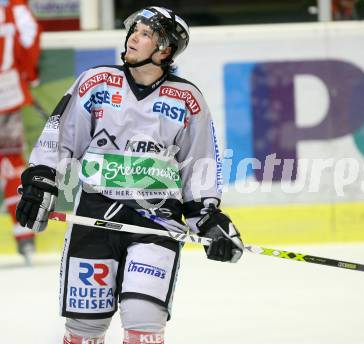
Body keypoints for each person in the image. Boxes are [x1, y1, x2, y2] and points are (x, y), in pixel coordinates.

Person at [15, 6, 244, 344]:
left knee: (144, 320)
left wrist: (209, 219)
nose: (134, 37)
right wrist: (40, 179)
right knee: (84, 328)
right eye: (134, 30)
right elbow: (59, 137)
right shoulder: (97, 82)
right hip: (93, 217)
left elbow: (199, 165)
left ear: (164, 50)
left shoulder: (187, 99)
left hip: (156, 222)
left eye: (146, 34)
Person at [0, 0, 41, 263]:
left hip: (8, 94)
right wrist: (29, 74)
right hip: (7, 93)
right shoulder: (15, 6)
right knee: (12, 164)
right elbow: (30, 38)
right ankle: (25, 239)